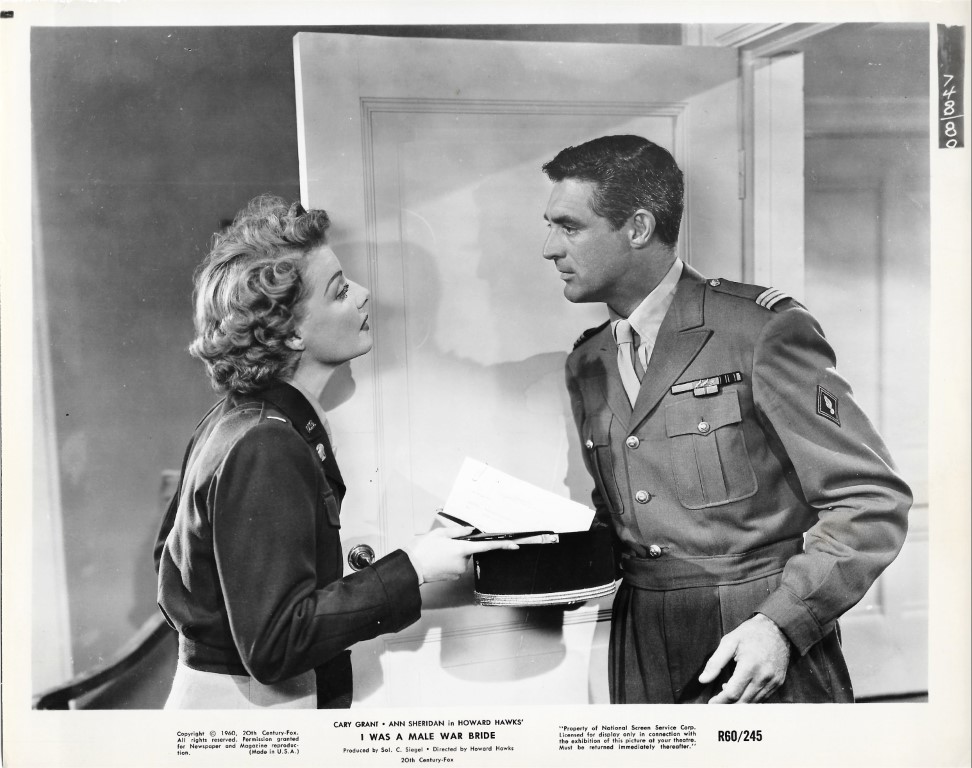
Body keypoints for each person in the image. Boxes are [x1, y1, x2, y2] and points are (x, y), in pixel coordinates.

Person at [541, 135, 911, 704]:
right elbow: (625, 514)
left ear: (638, 228)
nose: (549, 248)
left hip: (756, 633)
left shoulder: (759, 330)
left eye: (569, 227)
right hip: (640, 638)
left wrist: (781, 624)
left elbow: (872, 499)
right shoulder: (588, 362)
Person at [153, 195, 515, 709]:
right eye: (340, 291)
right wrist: (413, 567)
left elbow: (170, 565)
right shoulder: (267, 443)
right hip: (251, 718)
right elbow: (275, 645)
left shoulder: (231, 419)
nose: (364, 295)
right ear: (292, 333)